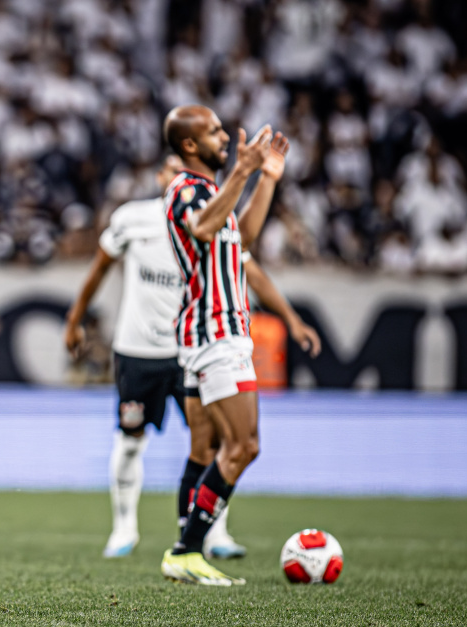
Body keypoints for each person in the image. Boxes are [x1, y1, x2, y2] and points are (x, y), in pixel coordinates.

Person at [64, 155, 319, 561]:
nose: (176, 176)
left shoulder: (212, 218)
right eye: (170, 168)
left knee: (212, 444)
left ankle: (213, 532)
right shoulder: (134, 218)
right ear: (161, 175)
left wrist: (290, 317)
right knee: (131, 440)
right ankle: (124, 527)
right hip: (138, 351)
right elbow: (98, 269)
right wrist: (75, 320)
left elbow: (248, 269)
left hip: (189, 348)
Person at [158, 105, 285, 586]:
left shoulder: (214, 194)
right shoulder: (186, 191)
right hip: (216, 332)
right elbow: (206, 228)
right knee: (243, 445)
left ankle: (187, 544)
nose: (224, 137)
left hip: (211, 333)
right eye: (212, 131)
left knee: (204, 448)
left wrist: (266, 178)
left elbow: (242, 234)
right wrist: (243, 171)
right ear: (189, 145)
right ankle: (187, 549)